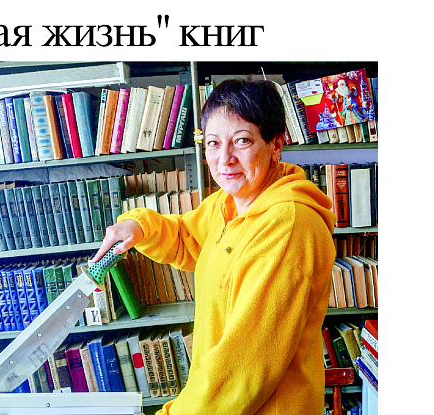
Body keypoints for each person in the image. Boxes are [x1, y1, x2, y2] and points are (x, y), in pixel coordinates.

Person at [92, 79, 337, 415]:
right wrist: (140, 226)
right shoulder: (227, 203)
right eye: (213, 143)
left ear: (276, 144)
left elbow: (241, 369)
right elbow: (187, 237)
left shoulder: (288, 227)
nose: (225, 159)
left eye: (242, 141)